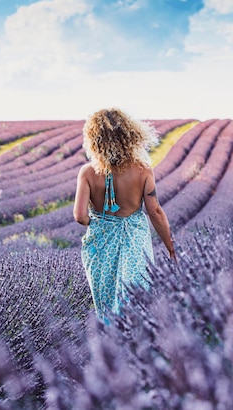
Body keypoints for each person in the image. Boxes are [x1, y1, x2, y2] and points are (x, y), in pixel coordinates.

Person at [73, 107, 176, 323]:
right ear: (129, 136)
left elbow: (80, 216)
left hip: (100, 244)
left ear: (94, 139)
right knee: (135, 298)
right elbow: (155, 211)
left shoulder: (88, 172)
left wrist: (102, 223)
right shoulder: (143, 170)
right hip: (134, 241)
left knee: (106, 302)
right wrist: (170, 247)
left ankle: (111, 347)